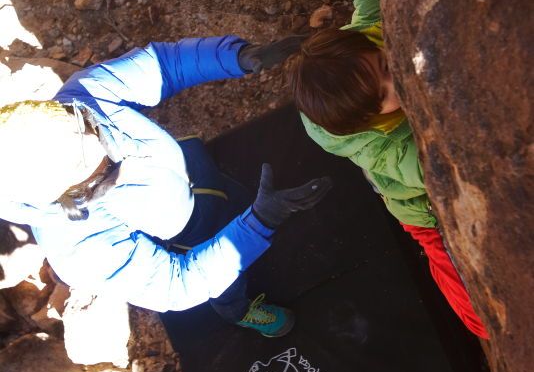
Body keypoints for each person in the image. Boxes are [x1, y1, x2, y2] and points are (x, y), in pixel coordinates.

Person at [0, 34, 332, 337]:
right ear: (66, 197)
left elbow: (164, 65)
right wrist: (262, 220)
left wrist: (236, 57)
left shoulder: (84, 96)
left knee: (229, 199)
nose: (113, 153)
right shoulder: (78, 249)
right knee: (225, 282)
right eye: (100, 173)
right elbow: (179, 282)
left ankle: (244, 217)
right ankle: (238, 310)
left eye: (95, 131)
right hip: (183, 236)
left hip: (186, 175)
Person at [287, 0, 488, 339]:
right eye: (383, 95)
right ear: (364, 119)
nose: (395, 81)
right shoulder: (377, 147)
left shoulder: (366, 37)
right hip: (420, 210)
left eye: (383, 64)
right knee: (478, 317)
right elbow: (427, 169)